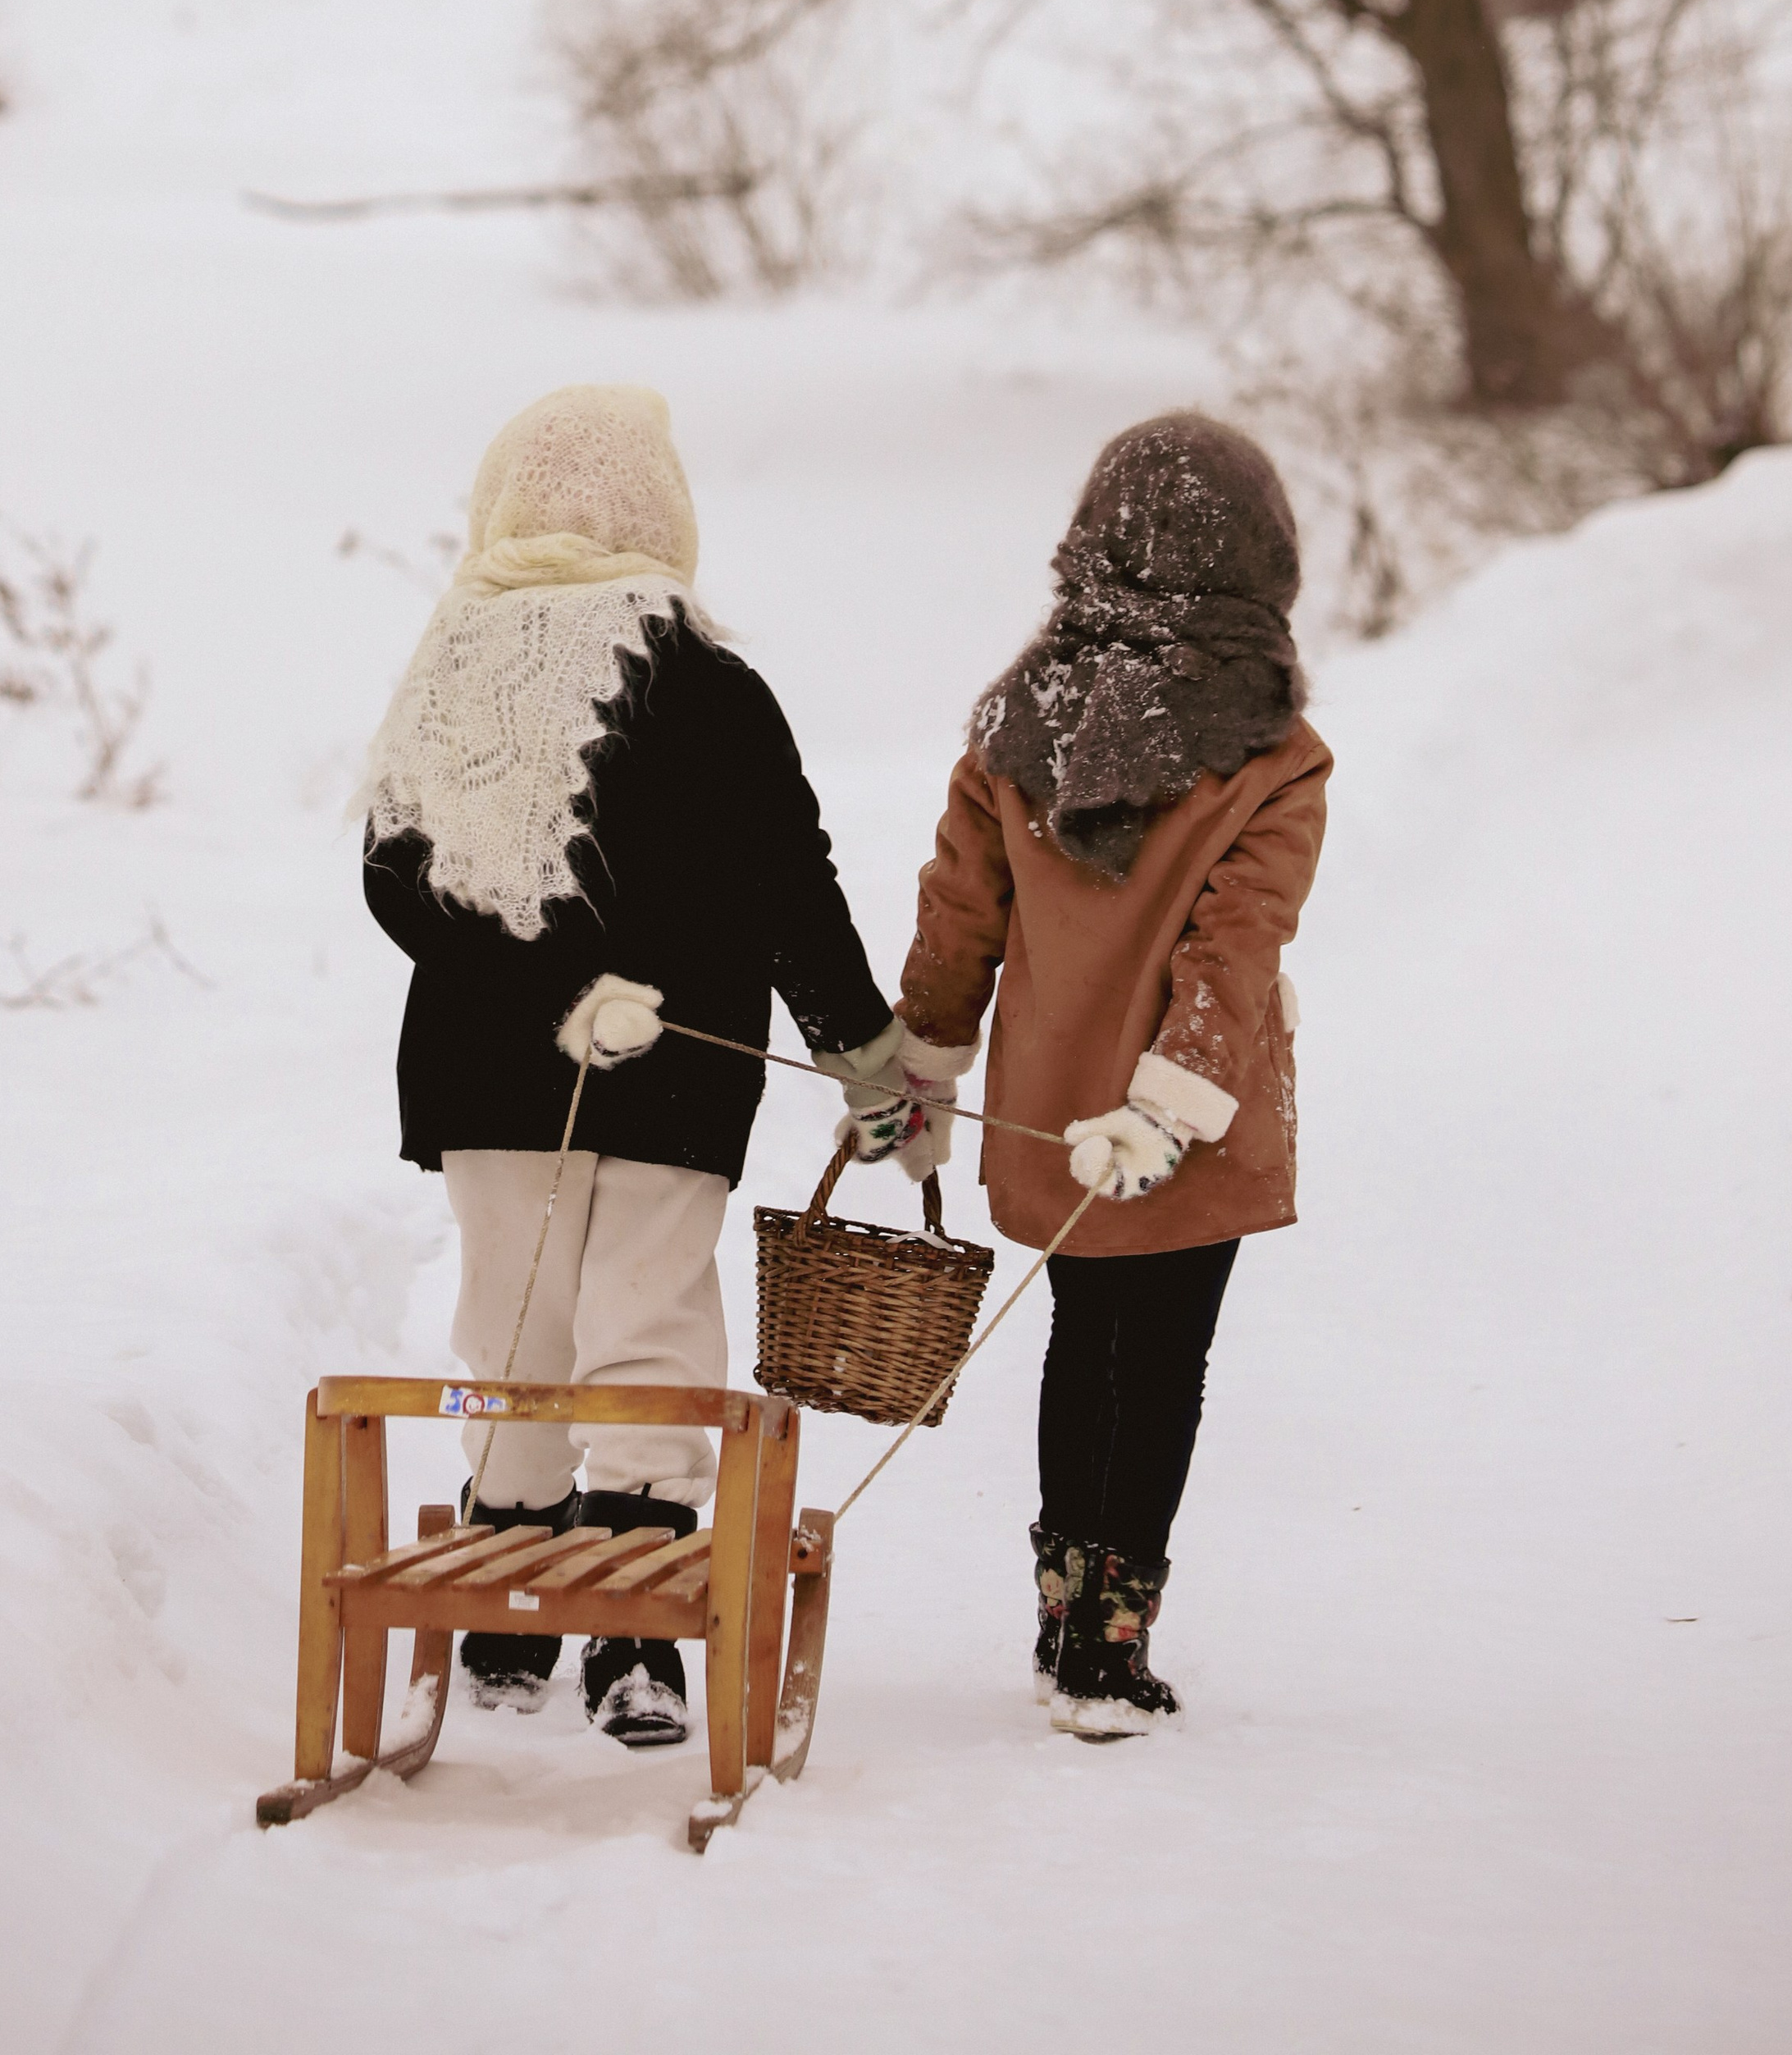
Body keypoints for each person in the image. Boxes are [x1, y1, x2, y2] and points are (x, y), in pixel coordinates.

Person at [353, 383, 902, 1747]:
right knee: (646, 1319)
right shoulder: (715, 683)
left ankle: (515, 1595)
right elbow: (793, 887)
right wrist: (860, 1051)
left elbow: (391, 879)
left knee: (513, 1316)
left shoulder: (451, 668)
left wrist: (527, 986)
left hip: (493, 1073)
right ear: (663, 511)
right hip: (678, 1070)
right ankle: (627, 1635)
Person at [888, 413, 1330, 1741]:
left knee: (1084, 1342)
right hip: (1185, 1119)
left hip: (1053, 1109)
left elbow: (959, 918)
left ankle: (1062, 1616)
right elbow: (1232, 950)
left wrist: (924, 1062)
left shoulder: (1013, 730)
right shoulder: (1271, 754)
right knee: (1165, 1361)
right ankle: (1110, 1646)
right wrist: (1172, 1098)